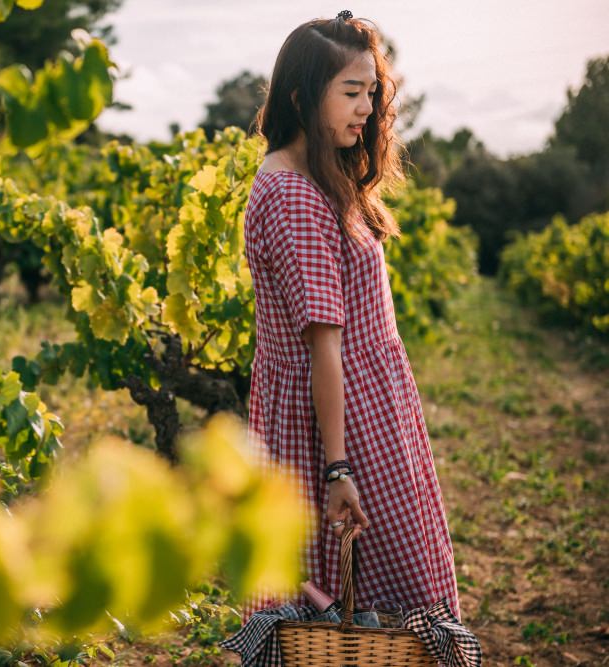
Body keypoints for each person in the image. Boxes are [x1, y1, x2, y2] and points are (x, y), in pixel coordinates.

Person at [240, 10, 462, 625]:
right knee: (390, 597)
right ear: (301, 95)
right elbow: (324, 348)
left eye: (372, 92)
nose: (366, 108)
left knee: (367, 603)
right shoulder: (294, 196)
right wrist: (339, 468)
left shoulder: (317, 179)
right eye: (350, 92)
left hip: (366, 402)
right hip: (345, 421)